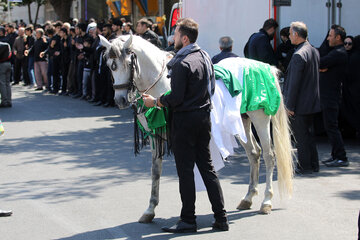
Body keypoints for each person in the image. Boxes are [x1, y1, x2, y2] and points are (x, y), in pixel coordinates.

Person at [143, 18, 229, 233]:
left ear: (185, 38)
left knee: (186, 172)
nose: (172, 38)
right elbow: (210, 88)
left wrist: (155, 101)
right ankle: (221, 217)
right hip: (203, 117)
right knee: (207, 169)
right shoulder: (204, 56)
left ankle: (188, 220)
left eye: (176, 33)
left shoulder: (182, 63)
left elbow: (176, 97)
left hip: (184, 121)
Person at [283, 21, 321, 174]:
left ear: (296, 35)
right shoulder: (313, 50)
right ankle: (313, 164)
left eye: (291, 34)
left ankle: (304, 165)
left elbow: (294, 84)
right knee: (309, 135)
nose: (289, 37)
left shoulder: (299, 54)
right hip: (311, 101)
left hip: (300, 104)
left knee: (301, 136)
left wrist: (289, 106)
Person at [319, 25, 349, 167]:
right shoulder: (335, 52)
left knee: (332, 126)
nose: (328, 38)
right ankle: (335, 155)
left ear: (338, 38)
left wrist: (323, 67)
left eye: (330, 36)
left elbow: (321, 62)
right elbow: (322, 62)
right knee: (329, 125)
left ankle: (341, 157)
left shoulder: (339, 53)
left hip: (331, 95)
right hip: (328, 94)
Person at [0, 41, 12, 108]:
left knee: (2, 83)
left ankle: (4, 101)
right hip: (8, 64)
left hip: (1, 64)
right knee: (7, 83)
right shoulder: (6, 44)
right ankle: (9, 101)